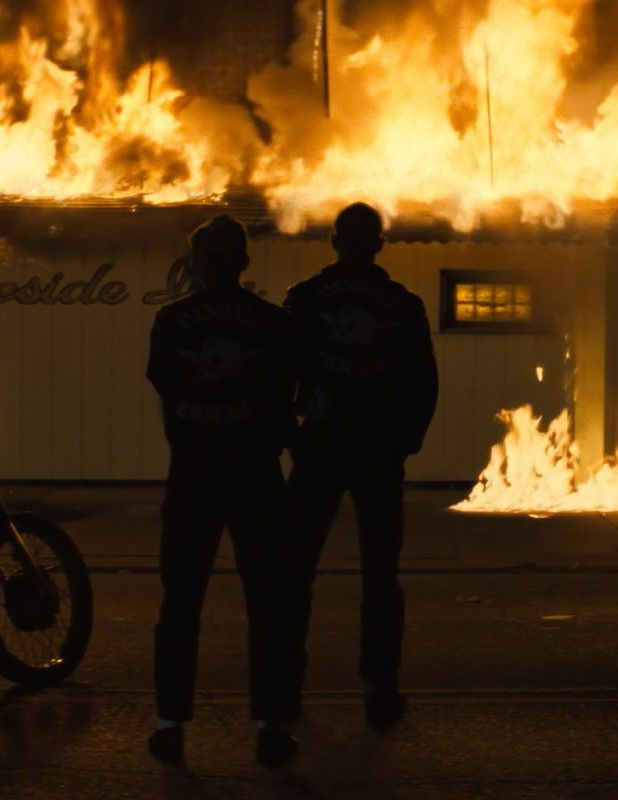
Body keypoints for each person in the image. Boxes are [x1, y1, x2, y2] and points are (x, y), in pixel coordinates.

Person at [145, 214, 303, 767]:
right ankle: (270, 726)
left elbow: (168, 394)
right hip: (255, 472)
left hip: (194, 472)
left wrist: (192, 440)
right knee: (269, 602)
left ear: (197, 262)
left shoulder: (171, 320)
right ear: (244, 261)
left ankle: (170, 725)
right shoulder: (273, 322)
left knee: (181, 602)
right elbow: (285, 397)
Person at [285, 202, 438, 728]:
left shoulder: (305, 299)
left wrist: (293, 438)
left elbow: (278, 375)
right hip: (377, 448)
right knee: (381, 573)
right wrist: (405, 441)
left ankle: (286, 682)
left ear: (334, 242)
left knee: (295, 568)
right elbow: (423, 381)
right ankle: (379, 687)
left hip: (321, 445)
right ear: (378, 245)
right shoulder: (403, 305)